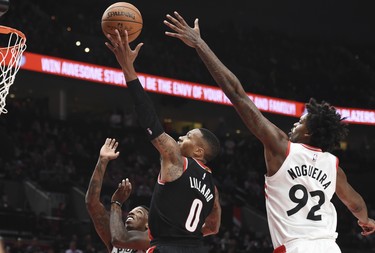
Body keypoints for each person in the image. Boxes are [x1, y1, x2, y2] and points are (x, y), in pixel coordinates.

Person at [163, 11, 375, 253]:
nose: (296, 123)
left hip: (296, 248)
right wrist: (366, 220)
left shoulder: (281, 146)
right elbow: (356, 204)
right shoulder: (333, 166)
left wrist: (200, 44)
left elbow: (236, 93)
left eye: (302, 121)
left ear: (310, 132)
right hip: (330, 247)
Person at [105, 29, 222, 253]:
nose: (180, 137)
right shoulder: (212, 187)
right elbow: (214, 226)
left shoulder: (178, 161)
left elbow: (149, 119)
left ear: (198, 152)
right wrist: (187, 235)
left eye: (188, 136)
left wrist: (128, 68)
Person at [85, 138, 149, 253]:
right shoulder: (115, 238)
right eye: (132, 211)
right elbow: (91, 203)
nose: (131, 213)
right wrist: (102, 161)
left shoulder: (150, 240)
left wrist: (116, 203)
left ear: (148, 224)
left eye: (139, 212)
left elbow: (119, 239)